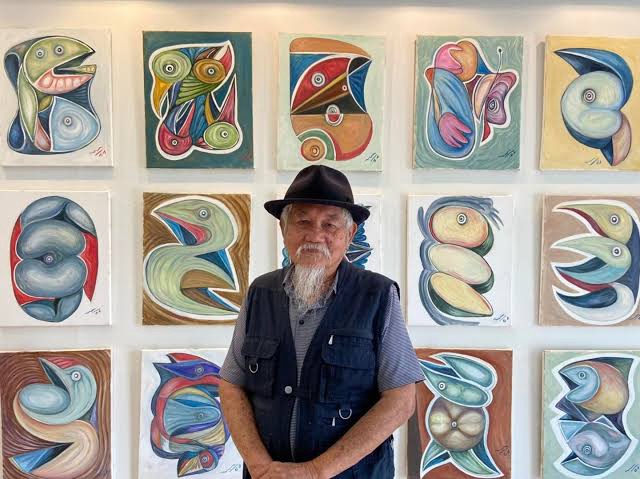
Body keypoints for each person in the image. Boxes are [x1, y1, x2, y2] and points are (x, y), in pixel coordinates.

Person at [219, 165, 423, 479]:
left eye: (330, 224)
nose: (315, 235)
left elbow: (401, 400)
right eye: (303, 222)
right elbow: (232, 385)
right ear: (284, 229)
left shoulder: (378, 296)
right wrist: (259, 467)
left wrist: (316, 471)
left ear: (350, 234)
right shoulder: (260, 293)